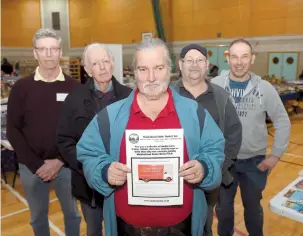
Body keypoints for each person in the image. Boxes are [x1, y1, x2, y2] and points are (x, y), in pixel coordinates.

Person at [76, 38, 225, 236]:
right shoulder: (109, 117)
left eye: (159, 67)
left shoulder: (195, 113)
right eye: (143, 69)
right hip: (127, 228)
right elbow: (88, 153)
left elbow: (215, 150)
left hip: (182, 227)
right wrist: (104, 171)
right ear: (135, 73)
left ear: (170, 70)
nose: (151, 77)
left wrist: (204, 168)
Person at [212, 38, 291, 236]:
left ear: (252, 58)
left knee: (253, 209)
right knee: (223, 210)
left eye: (244, 56)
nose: (239, 62)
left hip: (254, 163)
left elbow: (282, 121)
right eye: (235, 57)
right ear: (228, 59)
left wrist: (275, 155)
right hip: (224, 161)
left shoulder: (264, 88)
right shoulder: (215, 86)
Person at [6, 28, 81, 236]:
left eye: (53, 49)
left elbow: (79, 129)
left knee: (73, 215)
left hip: (65, 165)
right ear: (35, 53)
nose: (49, 54)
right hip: (31, 167)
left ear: (60, 52)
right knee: (38, 217)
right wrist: (37, 165)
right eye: (43, 49)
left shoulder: (74, 87)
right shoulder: (21, 88)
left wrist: (59, 161)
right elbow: (13, 130)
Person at [56, 43, 132, 236]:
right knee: (94, 231)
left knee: (123, 230)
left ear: (113, 63)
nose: (103, 67)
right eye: (96, 63)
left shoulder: (129, 96)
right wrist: (87, 167)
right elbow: (64, 140)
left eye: (106, 61)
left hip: (123, 182)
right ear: (88, 70)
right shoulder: (74, 99)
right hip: (87, 185)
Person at [174, 44, 242, 236]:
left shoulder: (221, 97)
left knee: (203, 226)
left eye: (199, 61)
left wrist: (217, 167)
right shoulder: (168, 95)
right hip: (175, 177)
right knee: (176, 226)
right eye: (189, 61)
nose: (194, 65)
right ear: (180, 64)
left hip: (208, 178)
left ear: (207, 65)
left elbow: (233, 133)